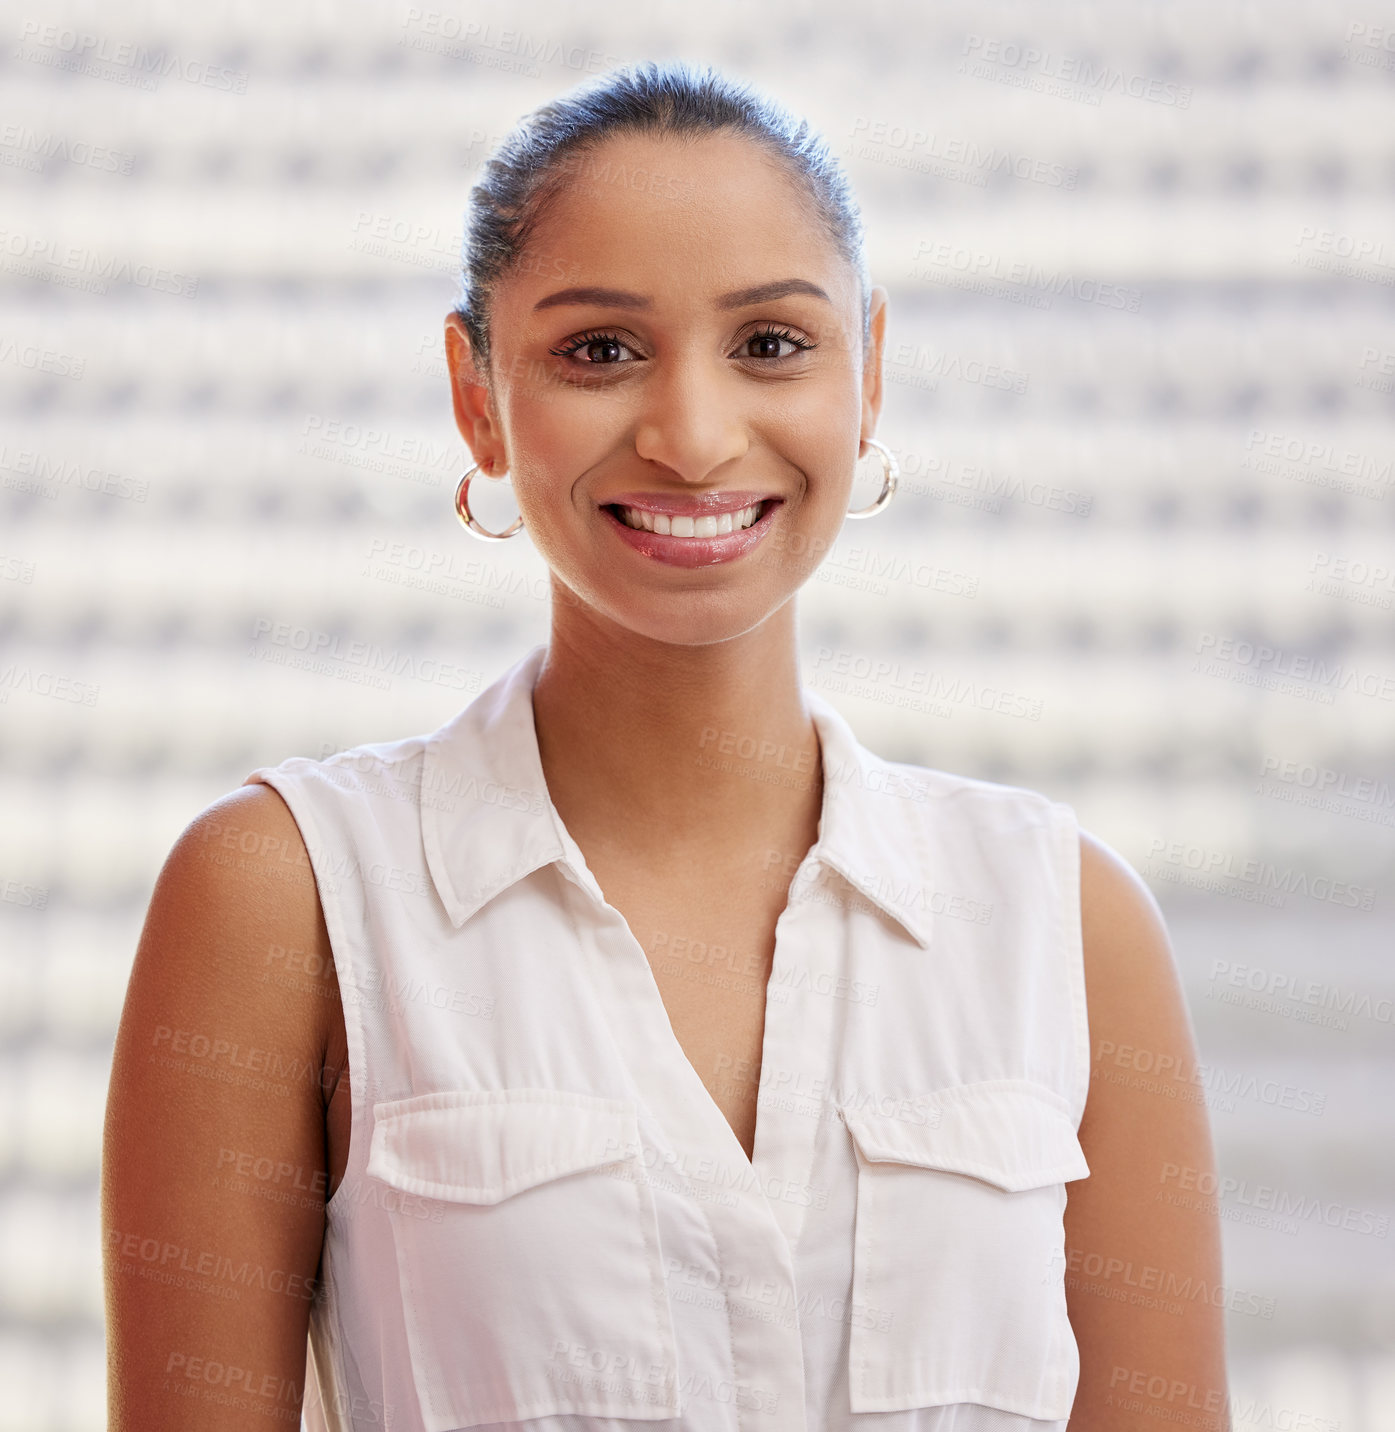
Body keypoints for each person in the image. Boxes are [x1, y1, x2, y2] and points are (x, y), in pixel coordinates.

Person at [103, 59, 1229, 1432]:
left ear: (867, 374)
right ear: (476, 397)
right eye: (599, 351)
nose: (693, 439)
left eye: (770, 344)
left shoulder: (1064, 918)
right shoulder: (288, 893)